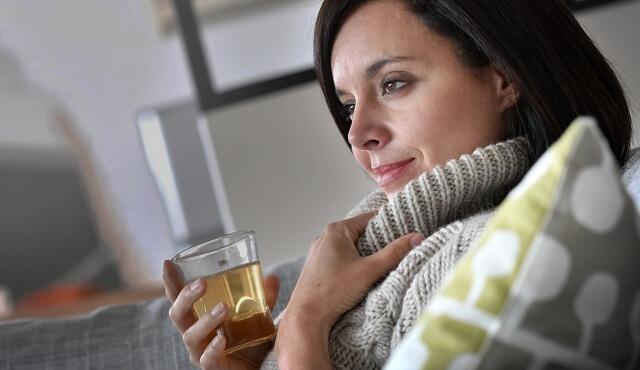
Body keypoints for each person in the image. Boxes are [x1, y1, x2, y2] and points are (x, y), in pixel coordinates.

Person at [165, 0, 633, 369]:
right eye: (348, 106)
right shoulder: (377, 241)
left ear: (504, 75)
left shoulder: (484, 259)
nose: (356, 133)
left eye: (393, 84)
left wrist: (302, 324)